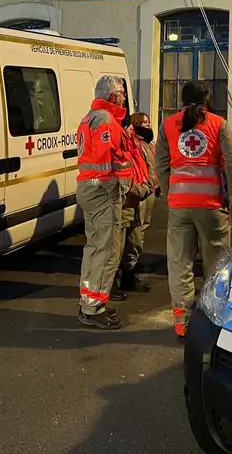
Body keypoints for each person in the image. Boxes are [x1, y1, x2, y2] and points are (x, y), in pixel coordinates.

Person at [156, 82, 232, 339]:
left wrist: (168, 191)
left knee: (179, 262)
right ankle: (213, 319)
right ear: (208, 100)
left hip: (180, 205)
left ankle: (182, 322)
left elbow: (160, 164)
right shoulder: (219, 124)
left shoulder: (168, 124)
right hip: (212, 205)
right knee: (215, 264)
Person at [75, 75, 133, 330]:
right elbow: (108, 157)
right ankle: (92, 308)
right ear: (112, 96)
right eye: (121, 93)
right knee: (104, 250)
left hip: (89, 188)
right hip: (102, 190)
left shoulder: (90, 116)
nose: (123, 97)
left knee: (94, 248)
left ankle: (91, 301)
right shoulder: (106, 120)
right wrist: (123, 183)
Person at [111, 119, 153, 295]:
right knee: (116, 246)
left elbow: (145, 167)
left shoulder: (136, 145)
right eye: (128, 126)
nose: (131, 129)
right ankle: (110, 284)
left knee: (134, 242)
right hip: (124, 199)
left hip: (136, 197)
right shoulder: (117, 146)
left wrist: (147, 186)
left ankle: (129, 278)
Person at [118, 112, 158, 286]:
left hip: (147, 189)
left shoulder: (149, 144)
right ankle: (127, 272)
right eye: (142, 123)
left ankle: (132, 268)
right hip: (137, 193)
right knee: (134, 234)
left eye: (148, 122)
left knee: (141, 228)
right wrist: (141, 189)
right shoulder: (132, 145)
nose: (146, 125)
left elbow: (151, 166)